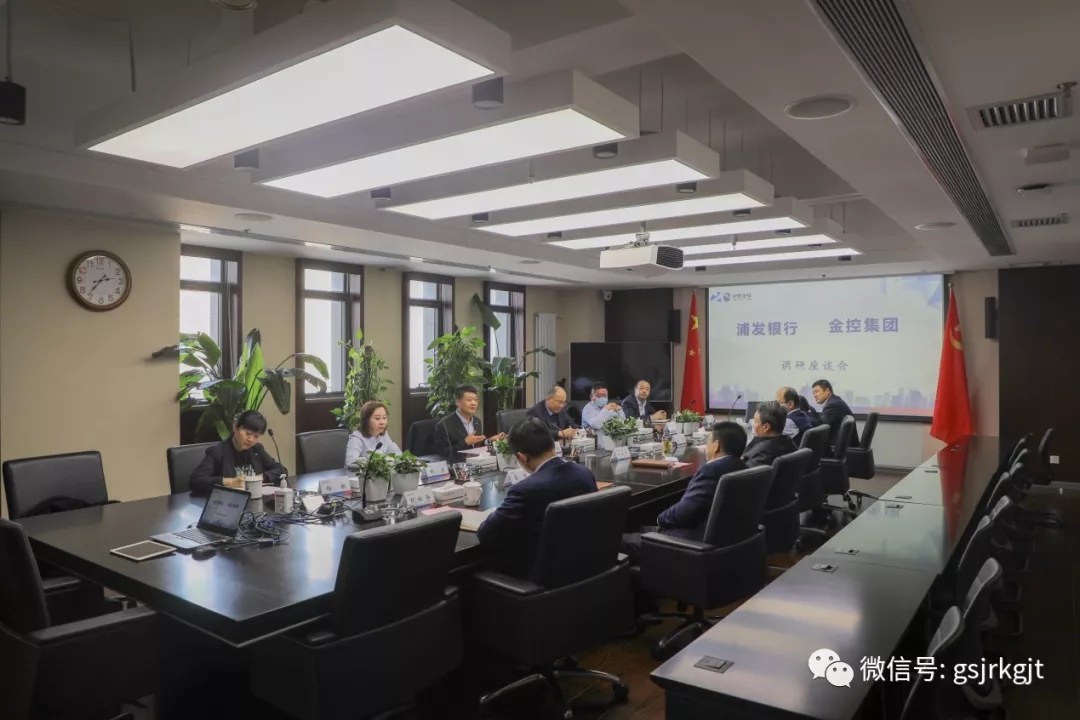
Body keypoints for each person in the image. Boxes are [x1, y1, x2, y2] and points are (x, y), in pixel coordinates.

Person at [476, 418, 598, 577]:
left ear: (522, 457)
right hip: (589, 567)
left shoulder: (525, 490)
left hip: (542, 578)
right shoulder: (584, 473)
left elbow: (486, 534)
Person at [621, 421, 748, 559]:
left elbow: (686, 511)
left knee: (616, 542)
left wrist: (660, 519)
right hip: (724, 538)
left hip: (693, 542)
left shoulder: (711, 470)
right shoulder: (742, 467)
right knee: (638, 527)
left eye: (708, 441)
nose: (706, 446)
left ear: (716, 445)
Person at [190, 410, 287, 496]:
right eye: (248, 433)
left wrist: (261, 478)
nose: (250, 439)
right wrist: (229, 482)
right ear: (235, 427)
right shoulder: (218, 451)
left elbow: (281, 470)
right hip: (229, 504)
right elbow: (196, 480)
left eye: (256, 436)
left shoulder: (257, 449)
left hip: (255, 500)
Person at [433, 385, 503, 460]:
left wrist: (489, 441)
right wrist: (465, 442)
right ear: (458, 402)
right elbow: (444, 452)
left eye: (475, 400)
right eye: (469, 400)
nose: (473, 403)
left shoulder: (477, 421)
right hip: (458, 464)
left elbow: (475, 445)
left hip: (477, 461)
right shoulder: (444, 425)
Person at [344, 401, 401, 469]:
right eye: (377, 418)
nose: (382, 422)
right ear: (366, 420)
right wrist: (378, 462)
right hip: (360, 475)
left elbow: (398, 454)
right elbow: (351, 461)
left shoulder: (384, 436)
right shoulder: (356, 438)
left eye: (384, 417)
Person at [742, 401, 797, 468]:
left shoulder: (762, 455)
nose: (753, 425)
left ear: (766, 427)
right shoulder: (789, 442)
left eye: (755, 421)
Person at [812, 379, 860, 452]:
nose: (815, 395)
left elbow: (821, 427)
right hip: (844, 447)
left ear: (827, 391)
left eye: (817, 391)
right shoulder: (835, 401)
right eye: (813, 393)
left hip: (841, 450)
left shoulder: (832, 405)